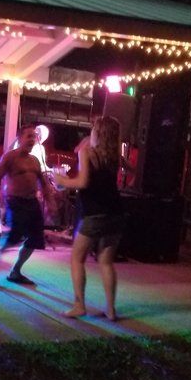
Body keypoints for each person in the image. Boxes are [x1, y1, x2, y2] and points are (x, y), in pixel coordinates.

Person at [54, 116, 124, 320]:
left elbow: (83, 182)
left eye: (93, 128)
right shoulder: (113, 157)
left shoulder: (88, 153)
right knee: (106, 263)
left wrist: (62, 181)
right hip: (115, 213)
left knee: (77, 259)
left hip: (94, 214)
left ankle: (79, 306)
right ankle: (111, 310)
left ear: (98, 132)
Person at [0, 125, 55, 286]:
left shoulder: (35, 160)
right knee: (14, 236)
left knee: (35, 239)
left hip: (33, 203)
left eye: (34, 137)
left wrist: (50, 201)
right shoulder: (10, 157)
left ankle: (16, 271)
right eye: (28, 136)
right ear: (20, 138)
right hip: (16, 202)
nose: (32, 139)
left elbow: (44, 184)